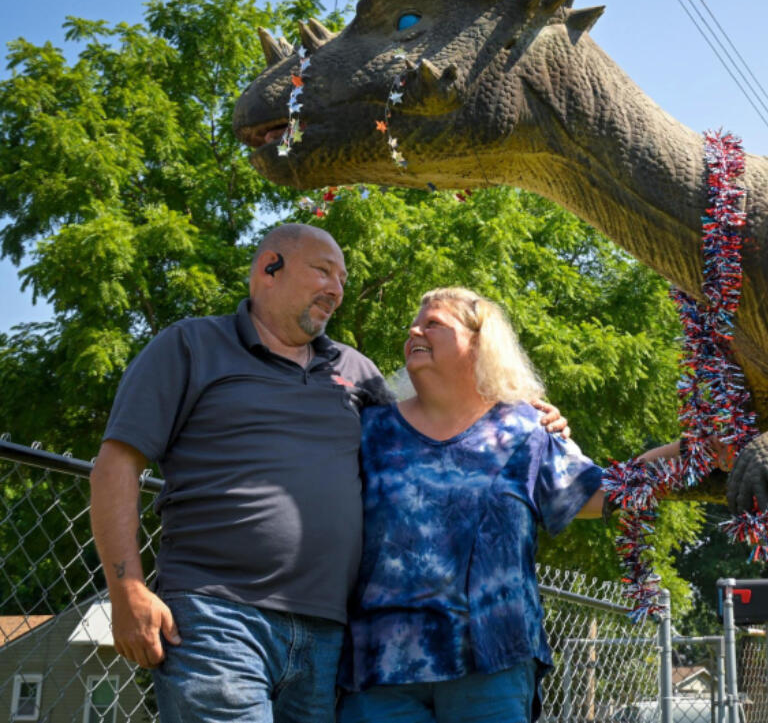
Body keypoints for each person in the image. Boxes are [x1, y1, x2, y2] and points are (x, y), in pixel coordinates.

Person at [89, 225, 566, 723]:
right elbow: (115, 466)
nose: (337, 290)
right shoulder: (190, 346)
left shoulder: (356, 371)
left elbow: (437, 417)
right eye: (323, 271)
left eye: (342, 277)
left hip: (328, 635)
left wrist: (514, 406)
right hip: (217, 614)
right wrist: (127, 591)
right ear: (270, 267)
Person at [336, 287, 681, 723]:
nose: (414, 329)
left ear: (480, 344)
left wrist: (687, 452)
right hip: (379, 669)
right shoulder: (369, 430)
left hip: (492, 666)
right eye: (415, 322)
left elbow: (601, 493)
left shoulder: (525, 430)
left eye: (434, 323)